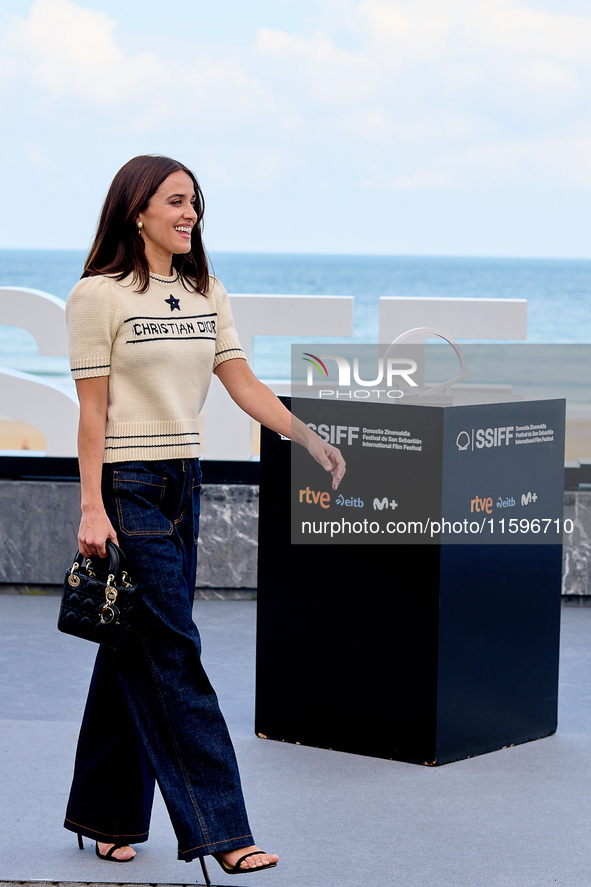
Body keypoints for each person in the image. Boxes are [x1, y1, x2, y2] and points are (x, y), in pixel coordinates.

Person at [63, 154, 345, 876]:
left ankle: (103, 815)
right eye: (177, 202)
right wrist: (91, 506)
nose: (189, 214)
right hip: (126, 486)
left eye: (195, 204)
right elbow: (91, 413)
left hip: (184, 484)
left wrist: (303, 434)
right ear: (137, 211)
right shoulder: (98, 295)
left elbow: (240, 379)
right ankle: (223, 831)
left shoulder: (206, 290)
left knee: (135, 646)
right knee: (175, 654)